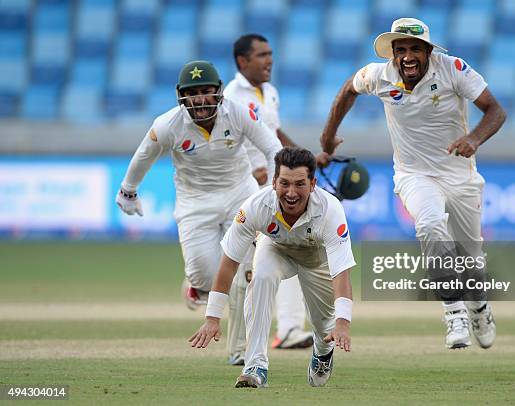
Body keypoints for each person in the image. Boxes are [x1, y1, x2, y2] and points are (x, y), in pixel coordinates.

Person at [320, 18, 506, 350]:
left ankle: (478, 305)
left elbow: (495, 111)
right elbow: (349, 88)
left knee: (470, 257)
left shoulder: (454, 69)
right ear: (392, 53)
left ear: (429, 51)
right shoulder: (378, 75)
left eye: (415, 49)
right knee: (431, 225)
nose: (407, 56)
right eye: (401, 49)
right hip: (413, 175)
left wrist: (474, 139)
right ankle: (454, 311)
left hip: (460, 174)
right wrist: (328, 135)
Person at [115, 60, 282, 363]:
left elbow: (272, 148)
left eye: (206, 91)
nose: (201, 100)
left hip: (239, 195)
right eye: (193, 93)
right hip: (195, 203)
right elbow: (144, 156)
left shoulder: (238, 112)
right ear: (181, 96)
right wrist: (128, 190)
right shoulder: (168, 124)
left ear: (218, 92)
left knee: (247, 272)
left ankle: (241, 351)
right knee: (208, 277)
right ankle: (197, 285)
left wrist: (275, 189)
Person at [189, 147, 355, 388]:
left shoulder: (330, 210)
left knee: (324, 324)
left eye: (299, 184)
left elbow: (341, 272)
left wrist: (343, 324)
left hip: (316, 259)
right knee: (262, 277)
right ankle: (255, 365)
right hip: (276, 247)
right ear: (274, 182)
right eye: (284, 183)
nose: (291, 193)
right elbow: (228, 264)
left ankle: (323, 350)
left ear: (313, 184)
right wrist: (212, 318)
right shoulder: (255, 207)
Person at [224, 33, 315, 351]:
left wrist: (304, 158)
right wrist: (250, 172)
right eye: (262, 55)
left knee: (289, 250)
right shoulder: (231, 95)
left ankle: (289, 329)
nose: (269, 60)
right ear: (242, 61)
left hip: (273, 189)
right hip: (244, 189)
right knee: (247, 268)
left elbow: (272, 133)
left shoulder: (270, 93)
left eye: (271, 53)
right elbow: (223, 145)